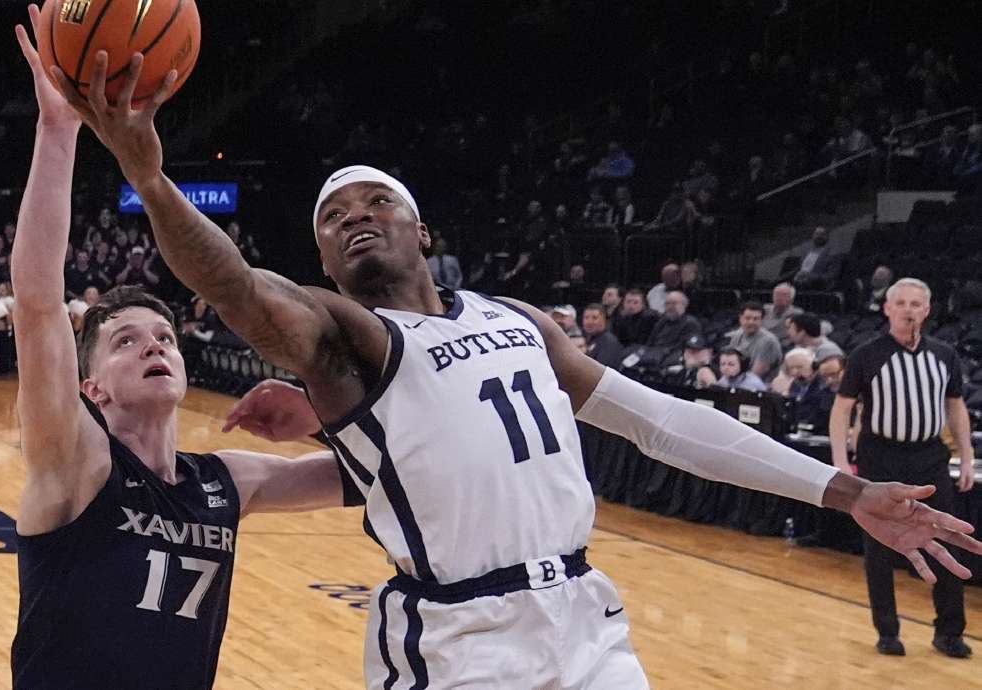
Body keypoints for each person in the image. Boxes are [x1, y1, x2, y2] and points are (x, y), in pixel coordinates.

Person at [59, 51, 982, 688]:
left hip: (583, 614)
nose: (354, 217)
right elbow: (235, 286)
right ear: (327, 266)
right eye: (333, 218)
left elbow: (663, 423)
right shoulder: (346, 336)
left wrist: (843, 491)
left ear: (422, 228)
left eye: (376, 201)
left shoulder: (520, 321)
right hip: (458, 640)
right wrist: (149, 179)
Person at [9, 17, 344, 688]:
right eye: (125, 341)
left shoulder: (227, 481)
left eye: (163, 338)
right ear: (91, 386)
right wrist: (57, 131)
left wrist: (321, 415)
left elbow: (372, 475)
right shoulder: (77, 460)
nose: (153, 347)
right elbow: (40, 301)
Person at [829, 278, 976, 659]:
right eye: (902, 303)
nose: (909, 310)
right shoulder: (866, 354)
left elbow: (955, 405)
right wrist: (842, 464)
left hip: (930, 456)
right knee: (878, 543)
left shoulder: (945, 355)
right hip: (881, 456)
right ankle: (887, 630)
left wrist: (967, 454)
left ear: (927, 310)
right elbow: (842, 408)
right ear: (887, 309)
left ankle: (949, 631)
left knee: (943, 536)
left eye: (916, 304)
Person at [727, 302, 783, 380]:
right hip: (737, 379)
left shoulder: (768, 341)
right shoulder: (737, 335)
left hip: (760, 385)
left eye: (755, 319)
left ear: (762, 320)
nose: (751, 322)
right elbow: (728, 363)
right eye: (747, 318)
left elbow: (755, 375)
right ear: (740, 318)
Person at [582, 303, 623, 370]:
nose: (589, 322)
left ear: (604, 320)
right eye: (586, 318)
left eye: (594, 318)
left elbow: (601, 370)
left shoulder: (609, 342)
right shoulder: (588, 339)